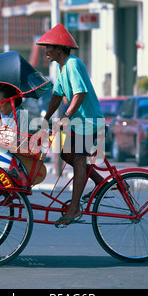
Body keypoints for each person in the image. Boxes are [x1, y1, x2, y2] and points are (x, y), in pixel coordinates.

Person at [36, 23, 105, 228]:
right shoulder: (61, 67)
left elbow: (79, 93)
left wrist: (65, 116)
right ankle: (102, 183)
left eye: (49, 46)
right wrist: (46, 118)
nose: (46, 50)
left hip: (89, 122)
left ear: (59, 48)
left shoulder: (73, 64)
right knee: (66, 155)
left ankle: (74, 208)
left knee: (79, 160)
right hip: (77, 122)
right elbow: (57, 95)